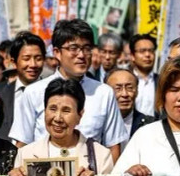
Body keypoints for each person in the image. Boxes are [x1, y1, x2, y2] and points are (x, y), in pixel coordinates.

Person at [9, 20, 126, 162]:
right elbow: (22, 144)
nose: (81, 55)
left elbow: (113, 147)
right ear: (57, 52)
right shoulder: (33, 92)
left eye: (86, 48)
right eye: (74, 48)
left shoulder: (104, 93)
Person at [0, 32, 46, 141]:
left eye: (38, 58)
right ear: (14, 62)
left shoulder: (52, 92)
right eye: (26, 58)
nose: (33, 64)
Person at [105, 68, 154, 150]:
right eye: (118, 88)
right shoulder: (99, 124)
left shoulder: (150, 125)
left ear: (137, 91)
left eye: (129, 88)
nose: (124, 94)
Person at [129, 34, 158, 116]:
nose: (147, 55)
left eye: (151, 51)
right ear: (132, 56)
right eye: (142, 51)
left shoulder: (162, 81)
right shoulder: (125, 81)